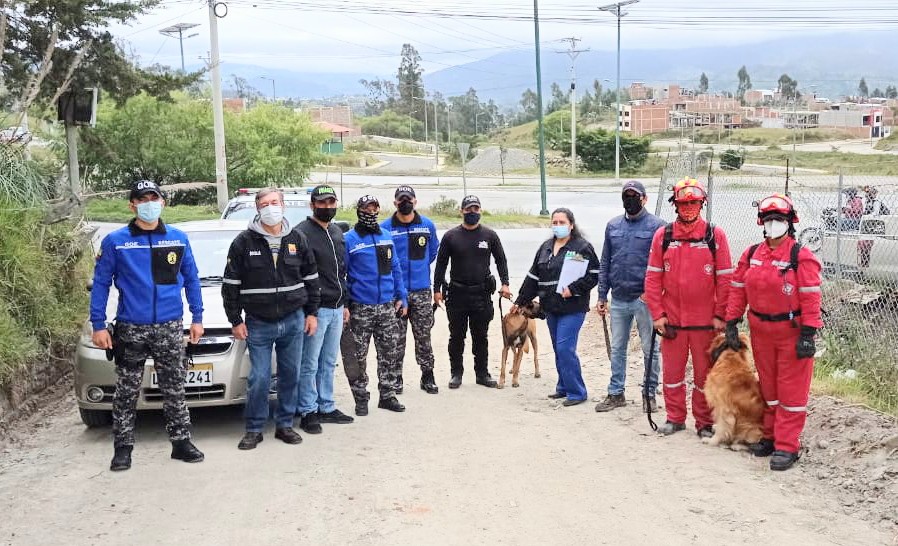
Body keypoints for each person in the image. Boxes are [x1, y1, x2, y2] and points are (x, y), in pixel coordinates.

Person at [90, 179, 205, 471]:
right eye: (142, 199)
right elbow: (101, 285)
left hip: (169, 324)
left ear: (162, 203)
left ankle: (181, 442)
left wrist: (198, 318)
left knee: (174, 387)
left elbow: (191, 279)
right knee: (127, 390)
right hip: (132, 327)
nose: (149, 204)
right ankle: (123, 448)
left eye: (153, 198)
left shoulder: (177, 238)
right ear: (132, 205)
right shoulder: (116, 241)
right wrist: (98, 324)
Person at [725, 193, 822, 471]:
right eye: (768, 220)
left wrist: (808, 333)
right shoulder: (752, 254)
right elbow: (738, 288)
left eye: (779, 219)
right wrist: (732, 321)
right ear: (761, 223)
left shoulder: (800, 256)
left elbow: (811, 296)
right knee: (769, 387)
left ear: (790, 223)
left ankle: (787, 445)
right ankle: (770, 435)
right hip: (760, 331)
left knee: (791, 391)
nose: (773, 224)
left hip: (791, 333)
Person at [223, 188, 320, 450]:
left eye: (274, 202)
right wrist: (235, 320)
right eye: (264, 204)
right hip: (258, 322)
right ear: (257, 209)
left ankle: (285, 425)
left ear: (283, 205)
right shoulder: (244, 242)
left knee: (290, 375)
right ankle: (254, 428)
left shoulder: (297, 238)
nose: (270, 207)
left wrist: (312, 313)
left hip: (293, 319)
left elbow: (311, 279)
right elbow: (230, 284)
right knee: (260, 378)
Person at [643, 178, 734, 437]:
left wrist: (720, 315)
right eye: (683, 204)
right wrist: (657, 315)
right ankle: (675, 418)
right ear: (676, 206)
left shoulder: (714, 235)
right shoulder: (664, 236)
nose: (688, 208)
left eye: (693, 203)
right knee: (672, 374)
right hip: (672, 322)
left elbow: (725, 278)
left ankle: (703, 422)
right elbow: (652, 278)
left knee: (704, 376)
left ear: (702, 204)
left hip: (705, 323)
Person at [513, 208, 599, 406]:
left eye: (562, 222)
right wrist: (519, 301)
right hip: (550, 307)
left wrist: (574, 288)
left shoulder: (581, 247)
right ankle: (563, 386)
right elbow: (533, 277)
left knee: (565, 348)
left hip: (573, 307)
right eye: (555, 222)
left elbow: (594, 274)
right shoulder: (545, 248)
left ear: (571, 225)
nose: (558, 226)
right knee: (558, 348)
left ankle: (577, 392)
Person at [594, 180, 666, 413]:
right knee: (617, 348)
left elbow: (665, 264)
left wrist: (652, 294)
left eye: (635, 196)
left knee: (650, 349)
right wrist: (602, 294)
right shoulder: (612, 226)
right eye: (626, 195)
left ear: (645, 199)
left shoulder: (658, 227)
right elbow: (606, 262)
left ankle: (649, 393)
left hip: (644, 299)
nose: (630, 200)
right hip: (619, 298)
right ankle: (616, 393)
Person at [433, 195, 511, 389]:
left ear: (480, 211)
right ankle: (456, 373)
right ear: (461, 211)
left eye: (475, 209)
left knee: (480, 336)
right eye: (468, 209)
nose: (472, 212)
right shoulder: (451, 236)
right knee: (456, 336)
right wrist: (436, 290)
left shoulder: (489, 235)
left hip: (481, 294)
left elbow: (501, 260)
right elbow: (441, 264)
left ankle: (482, 374)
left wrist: (505, 283)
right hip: (457, 294)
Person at [294, 185, 355, 435]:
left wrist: (346, 304)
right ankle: (308, 410)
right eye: (322, 202)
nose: (327, 207)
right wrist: (309, 310)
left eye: (331, 202)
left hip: (337, 308)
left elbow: (341, 272)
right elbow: (298, 275)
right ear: (312, 205)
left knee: (329, 361)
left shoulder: (337, 232)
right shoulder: (301, 234)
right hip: (315, 310)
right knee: (309, 363)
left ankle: (326, 406)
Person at [344, 195, 409, 415]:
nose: (371, 212)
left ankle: (387, 395)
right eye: (366, 208)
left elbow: (396, 269)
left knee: (389, 352)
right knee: (358, 356)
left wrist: (402, 296)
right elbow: (341, 275)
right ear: (359, 211)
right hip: (361, 307)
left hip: (387, 306)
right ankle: (361, 398)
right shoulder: (349, 240)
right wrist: (346, 303)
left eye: (374, 208)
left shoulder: (386, 236)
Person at [381, 185, 440, 395]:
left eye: (409, 199)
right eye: (401, 199)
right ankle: (396, 379)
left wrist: (420, 270)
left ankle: (428, 376)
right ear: (395, 202)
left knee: (423, 335)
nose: (405, 203)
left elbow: (433, 253)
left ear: (416, 201)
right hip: (397, 292)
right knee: (396, 338)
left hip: (422, 290)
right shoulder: (385, 228)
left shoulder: (427, 226)